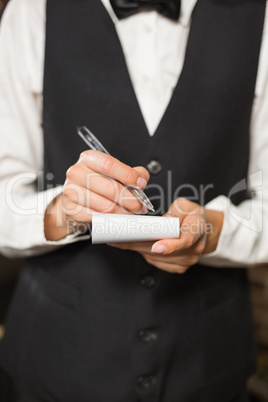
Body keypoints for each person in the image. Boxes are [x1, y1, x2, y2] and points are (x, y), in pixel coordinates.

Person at [0, 0, 268, 400]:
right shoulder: (32, 8)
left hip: (209, 368)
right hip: (53, 365)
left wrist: (212, 231)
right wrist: (66, 211)